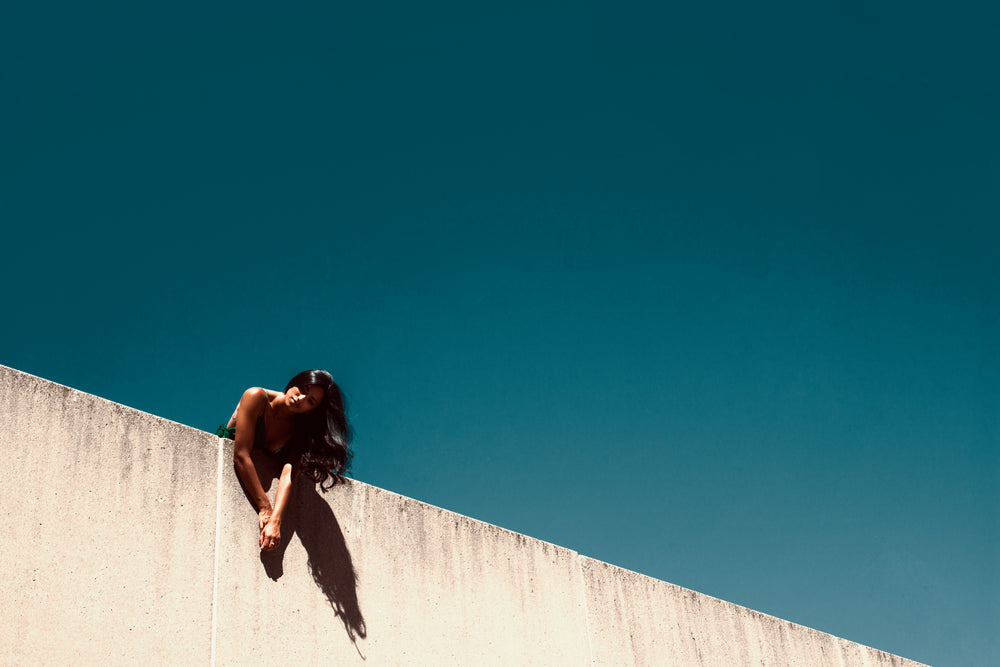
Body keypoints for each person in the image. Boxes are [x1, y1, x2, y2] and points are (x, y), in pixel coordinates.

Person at [216, 370, 353, 552]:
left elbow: (288, 475)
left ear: (312, 410)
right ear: (296, 381)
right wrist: (265, 507)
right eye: (303, 389)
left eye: (310, 401)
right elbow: (241, 455)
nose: (301, 398)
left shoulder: (300, 430)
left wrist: (276, 521)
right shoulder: (256, 397)